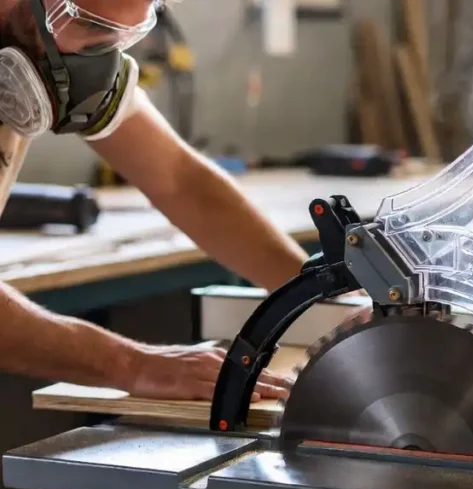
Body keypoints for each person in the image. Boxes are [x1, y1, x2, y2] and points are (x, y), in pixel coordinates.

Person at [0, 0, 306, 401]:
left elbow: (181, 181)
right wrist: (135, 364)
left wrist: (321, 295)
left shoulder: (41, 48)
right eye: (93, 29)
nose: (101, 61)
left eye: (125, 37)